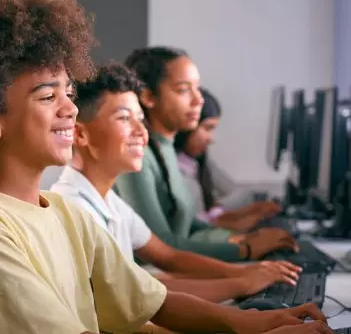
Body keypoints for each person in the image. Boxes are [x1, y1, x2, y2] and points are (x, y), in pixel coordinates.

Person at [0, 0, 332, 334]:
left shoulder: (66, 215)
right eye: (48, 96)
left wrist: (255, 321)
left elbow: (154, 301)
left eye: (69, 93)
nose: (70, 109)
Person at [51, 62, 301, 304]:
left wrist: (245, 273)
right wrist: (240, 283)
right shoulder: (73, 209)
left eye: (140, 119)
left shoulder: (109, 202)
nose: (141, 131)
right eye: (125, 118)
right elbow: (135, 293)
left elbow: (168, 256)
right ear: (80, 134)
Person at [115, 46, 298, 262]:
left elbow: (189, 225)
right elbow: (160, 245)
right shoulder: (139, 156)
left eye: (197, 88)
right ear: (148, 97)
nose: (198, 100)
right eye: (183, 90)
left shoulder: (165, 147)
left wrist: (242, 238)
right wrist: (243, 249)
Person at [174, 86, 281, 232]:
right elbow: (193, 228)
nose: (211, 139)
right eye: (207, 128)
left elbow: (228, 194)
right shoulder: (175, 171)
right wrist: (239, 221)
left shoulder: (196, 162)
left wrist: (245, 213)